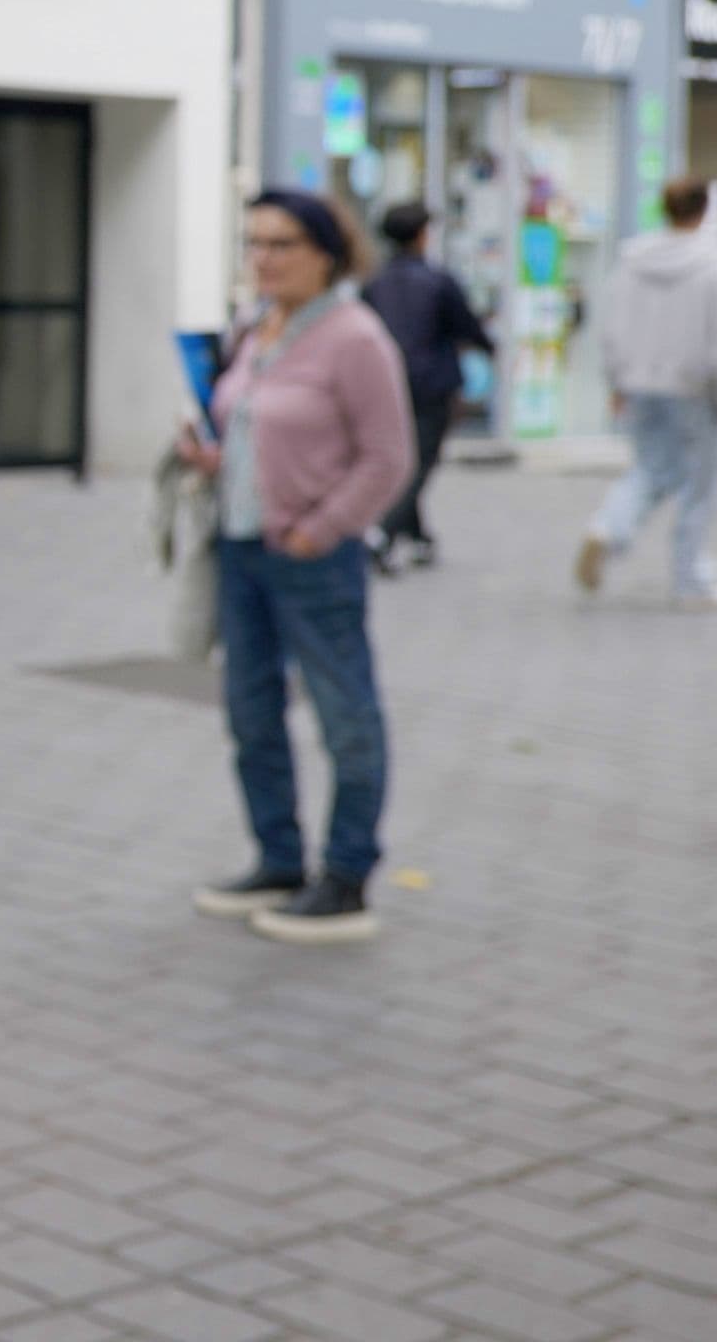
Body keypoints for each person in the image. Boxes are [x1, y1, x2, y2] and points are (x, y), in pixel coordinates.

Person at [181, 193, 415, 946]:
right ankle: (278, 860)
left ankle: (346, 875)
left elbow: (388, 457)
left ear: (327, 251)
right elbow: (255, 424)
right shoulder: (258, 326)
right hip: (241, 546)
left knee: (345, 715)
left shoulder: (354, 338)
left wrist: (324, 528)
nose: (265, 258)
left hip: (311, 556)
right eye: (254, 243)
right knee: (251, 714)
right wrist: (215, 461)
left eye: (282, 244)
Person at [576, 173, 717, 609]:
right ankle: (689, 578)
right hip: (695, 389)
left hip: (641, 384)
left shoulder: (632, 260)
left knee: (651, 469)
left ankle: (608, 527)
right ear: (704, 210)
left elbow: (613, 326)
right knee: (699, 486)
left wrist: (617, 379)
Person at [360, 201, 491, 570]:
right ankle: (382, 534)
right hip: (432, 385)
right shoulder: (438, 281)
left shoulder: (374, 283)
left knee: (407, 457)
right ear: (421, 236)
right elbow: (468, 327)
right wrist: (490, 349)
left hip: (386, 383)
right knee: (416, 463)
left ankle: (418, 538)